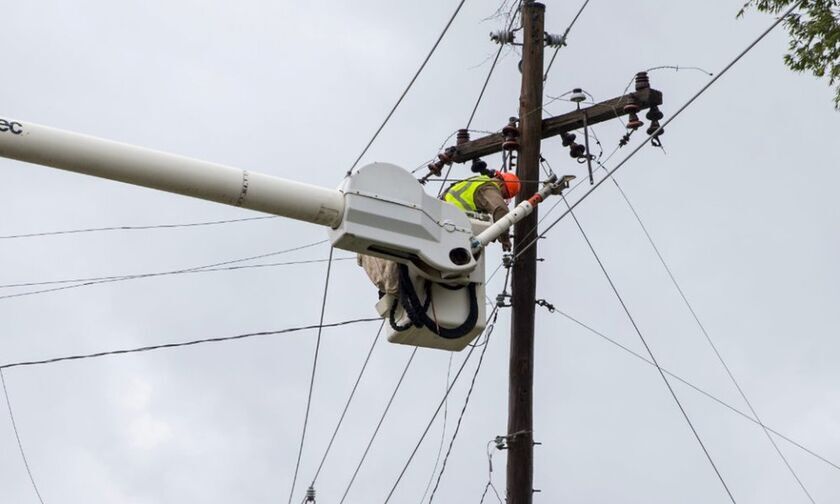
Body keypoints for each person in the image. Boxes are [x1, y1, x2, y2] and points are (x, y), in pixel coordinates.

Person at [358, 170, 521, 299]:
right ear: (502, 185)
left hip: (441, 226)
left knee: (418, 261)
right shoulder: (488, 187)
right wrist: (504, 238)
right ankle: (398, 283)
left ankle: (394, 285)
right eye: (505, 194)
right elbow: (501, 211)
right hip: (452, 230)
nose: (502, 197)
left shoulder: (471, 183)